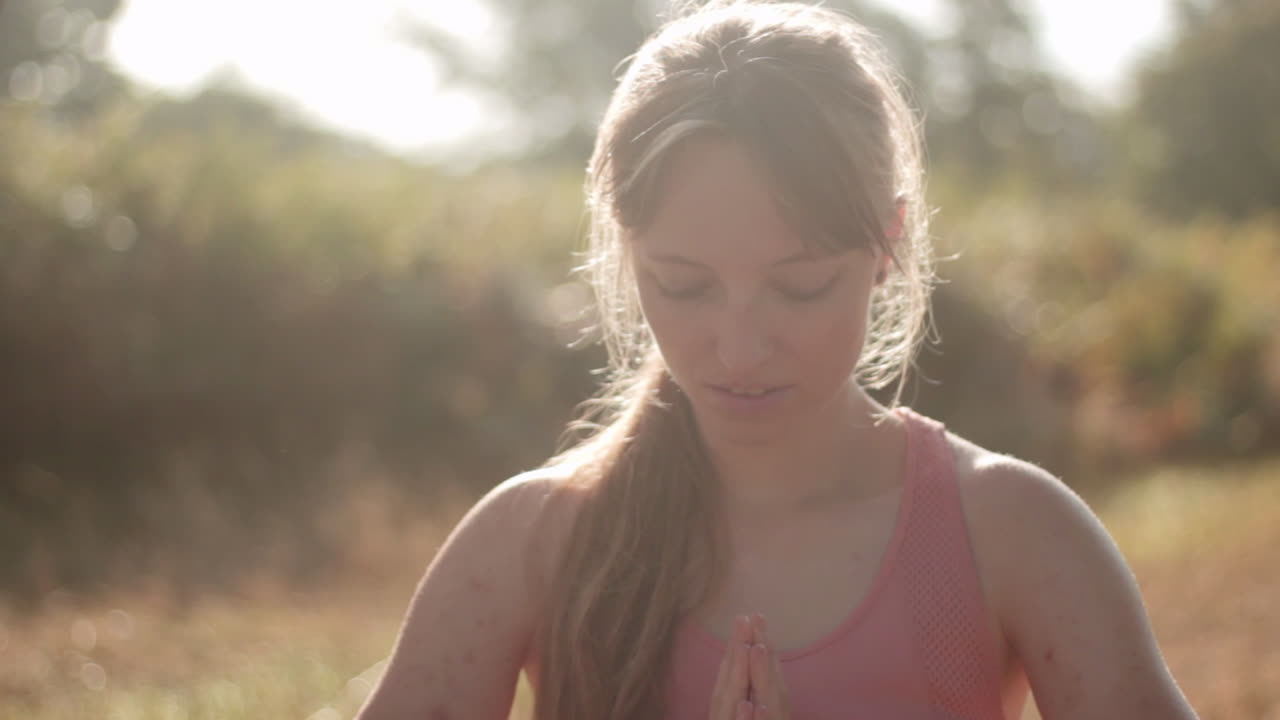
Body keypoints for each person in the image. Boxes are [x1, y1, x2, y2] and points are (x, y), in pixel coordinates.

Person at [355, 2, 1199, 718]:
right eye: (684, 287)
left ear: (888, 247)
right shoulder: (530, 544)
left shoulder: (1014, 535)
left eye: (799, 288)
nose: (739, 348)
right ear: (626, 252)